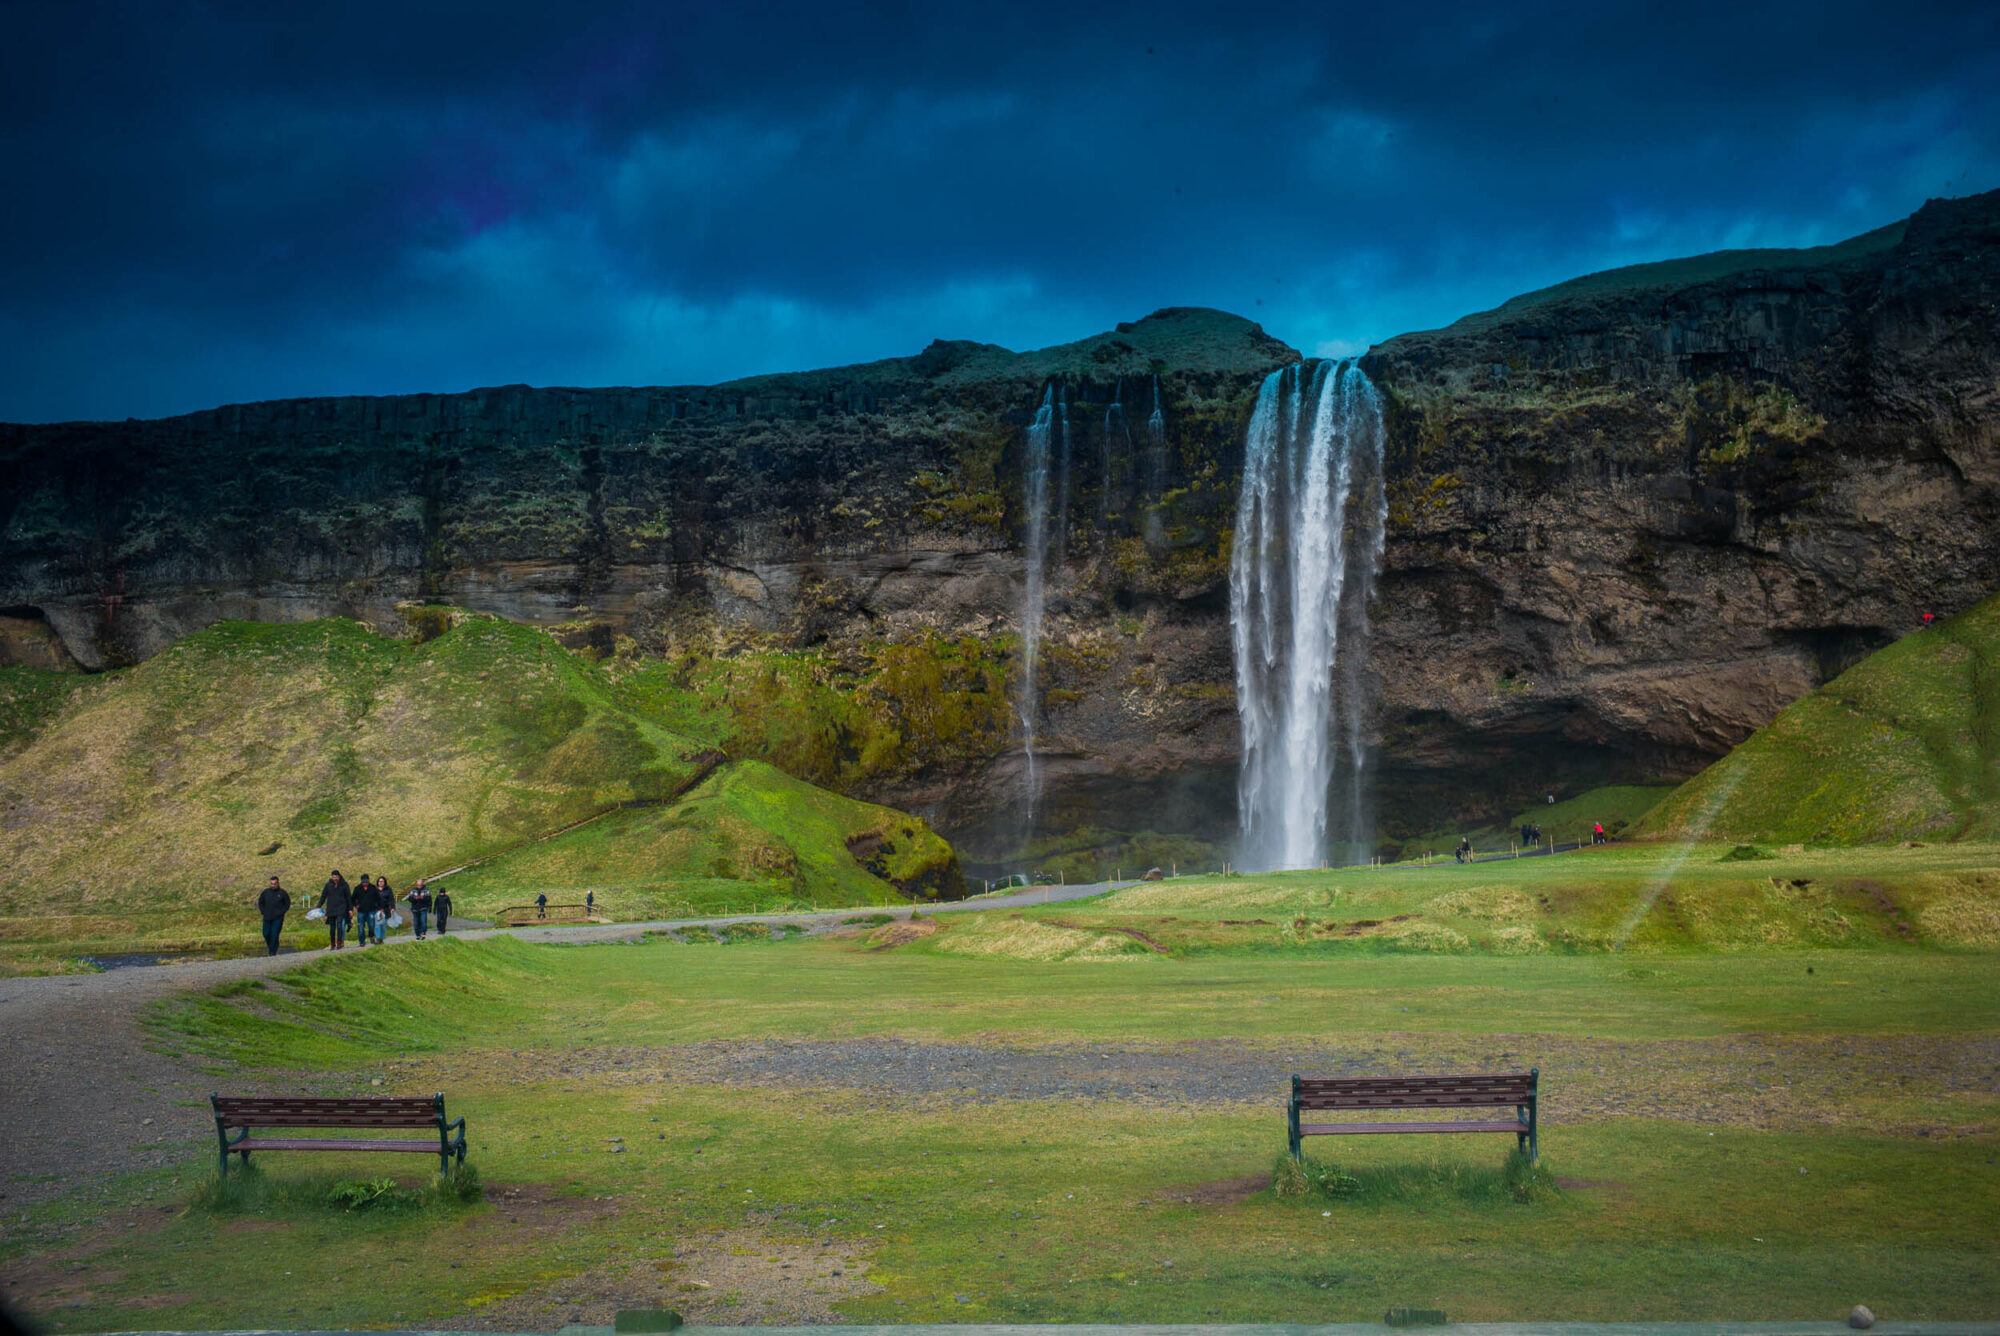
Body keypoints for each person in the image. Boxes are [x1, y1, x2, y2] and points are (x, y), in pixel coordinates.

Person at [256, 876, 290, 957]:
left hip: (278, 918)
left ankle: (272, 953)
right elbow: (260, 902)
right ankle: (271, 948)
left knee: (274, 935)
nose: (273, 885)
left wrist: (281, 912)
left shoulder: (282, 893)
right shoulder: (265, 892)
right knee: (266, 934)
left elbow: (287, 904)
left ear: (278, 883)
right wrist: (263, 912)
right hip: (267, 917)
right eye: (271, 884)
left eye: (275, 884)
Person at [319, 870, 352, 950]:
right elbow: (323, 896)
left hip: (341, 908)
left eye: (336, 877)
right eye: (333, 877)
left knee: (340, 925)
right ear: (331, 877)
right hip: (331, 909)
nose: (334, 878)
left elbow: (348, 897)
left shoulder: (344, 885)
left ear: (339, 876)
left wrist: (350, 909)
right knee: (332, 927)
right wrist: (318, 906)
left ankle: (339, 942)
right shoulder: (328, 885)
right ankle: (332, 943)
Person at [353, 876, 378, 946]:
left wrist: (376, 906)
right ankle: (362, 941)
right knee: (361, 927)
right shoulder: (357, 888)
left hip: (371, 910)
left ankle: (371, 936)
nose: (365, 883)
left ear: (369, 881)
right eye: (364, 881)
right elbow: (352, 899)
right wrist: (356, 904)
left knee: (372, 925)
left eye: (366, 881)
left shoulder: (373, 888)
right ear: (361, 881)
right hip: (361, 911)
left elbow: (378, 898)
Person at [374, 876, 395, 943]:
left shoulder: (388, 889)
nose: (381, 882)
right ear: (377, 882)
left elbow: (391, 899)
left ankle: (381, 938)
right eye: (379, 881)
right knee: (378, 924)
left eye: (382, 881)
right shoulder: (374, 889)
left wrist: (392, 907)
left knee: (383, 925)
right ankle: (378, 938)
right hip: (377, 909)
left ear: (384, 882)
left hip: (385, 909)